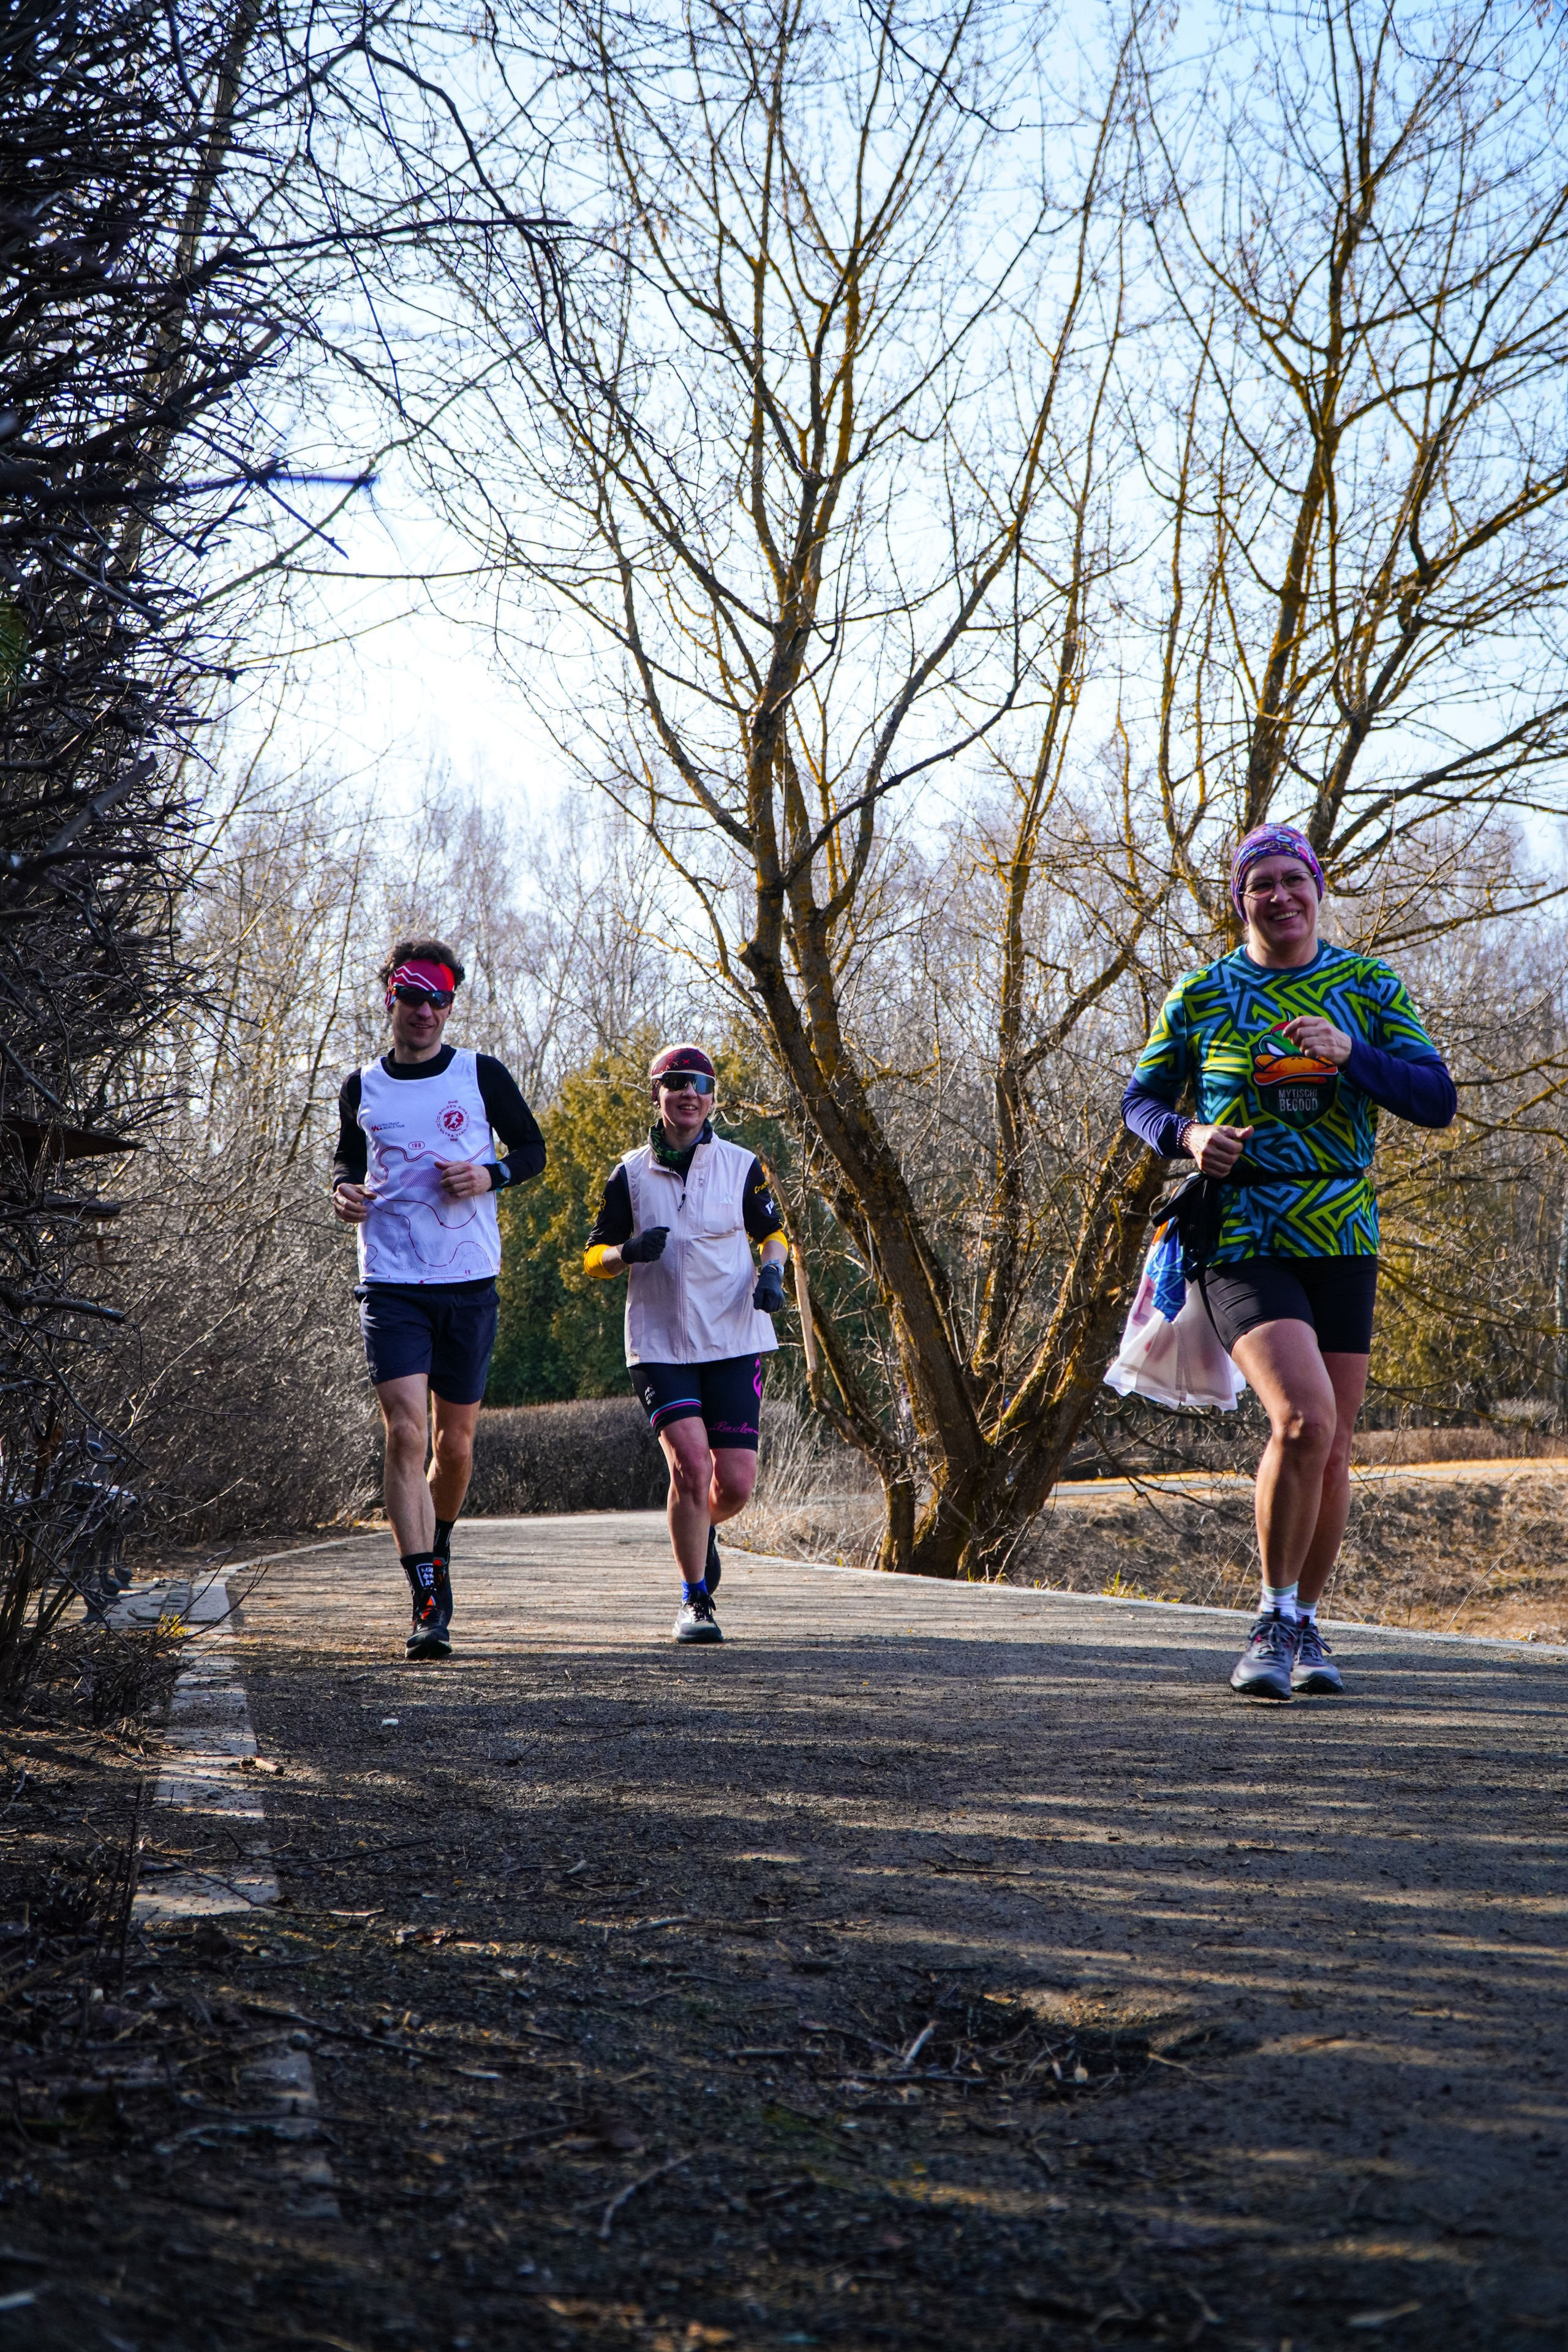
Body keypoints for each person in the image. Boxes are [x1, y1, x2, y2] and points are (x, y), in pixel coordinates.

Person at [1121, 826, 1457, 1700]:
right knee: (1303, 1419)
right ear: (1240, 900)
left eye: (1292, 880)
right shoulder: (1203, 993)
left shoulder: (1368, 986)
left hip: (1343, 1232)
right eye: (1260, 884)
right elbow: (1142, 1099)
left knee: (1337, 1445)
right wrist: (1190, 1135)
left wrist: (1356, 1057)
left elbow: (1436, 1099)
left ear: (1318, 888)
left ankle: (1306, 1625)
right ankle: (1271, 1617)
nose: (1279, 896)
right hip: (1244, 1233)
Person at [331, 939, 545, 1660]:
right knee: (404, 1434)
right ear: (388, 996)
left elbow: (532, 1151)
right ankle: (426, 1599)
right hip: (391, 1282)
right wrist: (343, 1191)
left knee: (453, 1447)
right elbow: (347, 1160)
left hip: (468, 1284)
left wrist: (492, 1176)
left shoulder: (480, 1074)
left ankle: (439, 1545)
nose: (424, 1010)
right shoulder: (362, 1085)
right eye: (411, 995)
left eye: (438, 998)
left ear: (451, 1004)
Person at [584, 1042, 789, 1643]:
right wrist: (624, 1253)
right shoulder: (628, 1173)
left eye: (700, 1083)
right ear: (657, 1094)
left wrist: (772, 1272)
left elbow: (773, 1232)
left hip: (732, 1338)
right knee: (691, 1469)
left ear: (712, 1097)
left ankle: (699, 1530)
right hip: (661, 1345)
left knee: (735, 1486)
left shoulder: (743, 1165)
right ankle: (695, 1600)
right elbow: (593, 1255)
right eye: (675, 1082)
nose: (688, 1092)